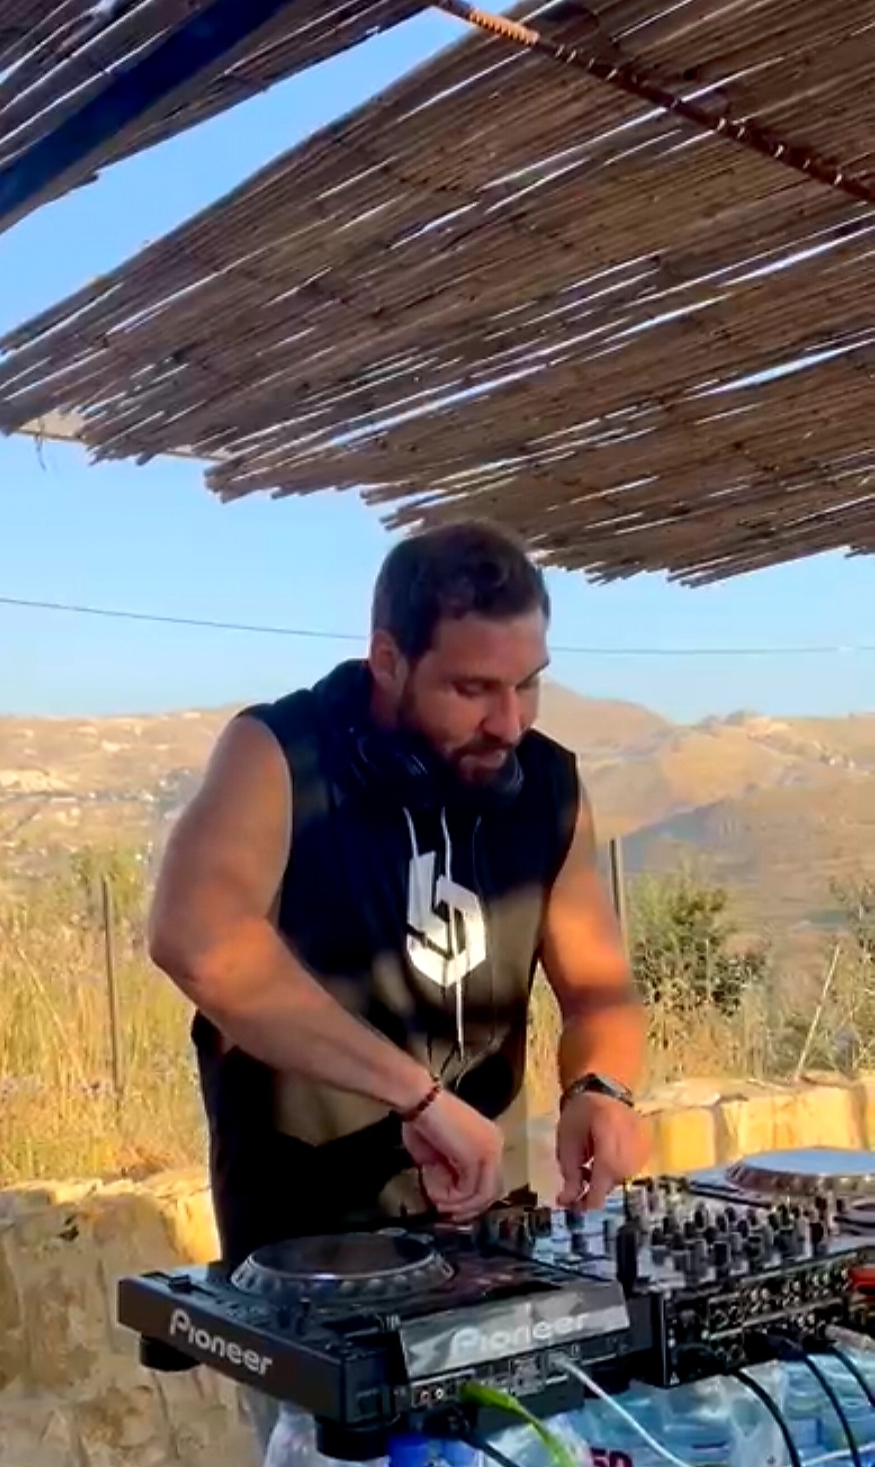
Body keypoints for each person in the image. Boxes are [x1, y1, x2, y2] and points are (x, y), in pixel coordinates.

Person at [149, 520, 648, 1277]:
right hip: (307, 1253)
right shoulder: (281, 752)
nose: (509, 723)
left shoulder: (549, 785)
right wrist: (419, 1099)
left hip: (492, 1240)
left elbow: (598, 993)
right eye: (472, 689)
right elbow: (198, 941)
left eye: (527, 683)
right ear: (388, 659)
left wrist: (602, 1087)